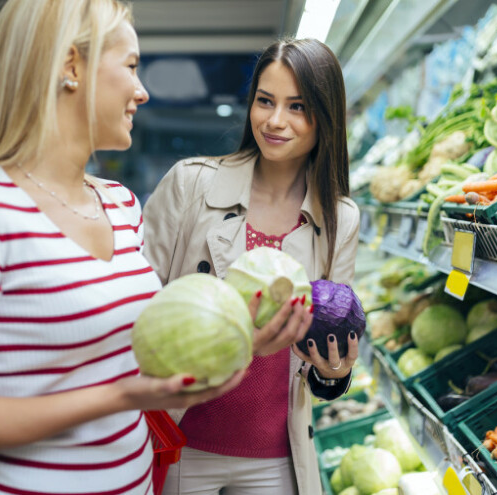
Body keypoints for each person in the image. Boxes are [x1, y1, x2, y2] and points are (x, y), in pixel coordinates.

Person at [0, 1, 243, 494]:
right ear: (70, 66)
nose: (142, 91)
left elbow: (122, 353)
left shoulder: (120, 204)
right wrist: (119, 397)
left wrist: (243, 337)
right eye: (130, 66)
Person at [142, 38, 362, 495]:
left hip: (276, 458)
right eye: (265, 101)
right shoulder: (191, 184)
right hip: (185, 440)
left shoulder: (340, 218)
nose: (275, 121)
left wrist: (333, 374)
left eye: (297, 106)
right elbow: (137, 303)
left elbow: (327, 344)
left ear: (327, 116)